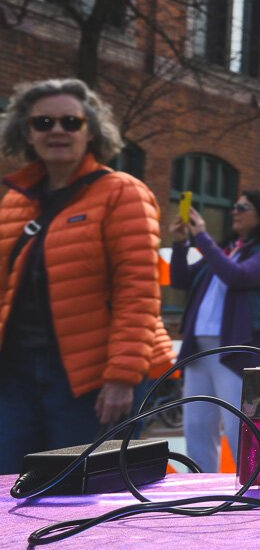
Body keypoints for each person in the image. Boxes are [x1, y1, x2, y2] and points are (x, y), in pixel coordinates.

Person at [0, 79, 168, 473]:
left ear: (90, 130)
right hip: (17, 376)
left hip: (90, 381)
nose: (56, 130)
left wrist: (122, 377)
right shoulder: (14, 201)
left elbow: (138, 292)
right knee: (8, 490)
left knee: (78, 496)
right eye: (43, 122)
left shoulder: (121, 192)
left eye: (70, 122)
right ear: (27, 132)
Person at [168, 190, 260, 473]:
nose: (234, 211)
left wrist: (202, 237)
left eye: (242, 207)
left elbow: (239, 276)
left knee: (243, 432)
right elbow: (181, 279)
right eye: (234, 206)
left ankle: (252, 497)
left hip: (241, 352)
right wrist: (180, 243)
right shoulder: (228, 249)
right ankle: (202, 496)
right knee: (197, 428)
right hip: (200, 351)